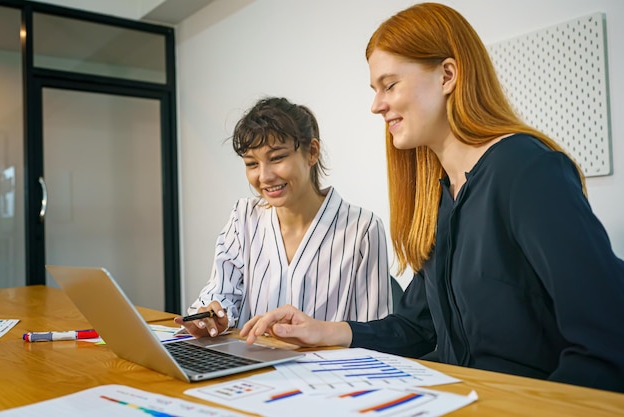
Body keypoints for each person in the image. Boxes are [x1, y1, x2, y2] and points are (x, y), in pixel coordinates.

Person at [240, 3, 624, 393]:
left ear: (447, 75)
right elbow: (417, 327)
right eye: (375, 90)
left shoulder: (526, 170)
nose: (376, 105)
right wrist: (322, 331)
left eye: (389, 85)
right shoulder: (441, 198)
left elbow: (607, 340)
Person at [175, 96, 392, 338]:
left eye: (277, 158)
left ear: (311, 152)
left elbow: (376, 334)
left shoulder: (363, 229)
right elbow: (220, 293)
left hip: (324, 372)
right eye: (251, 163)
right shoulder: (244, 217)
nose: (264, 176)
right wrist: (213, 316)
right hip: (249, 367)